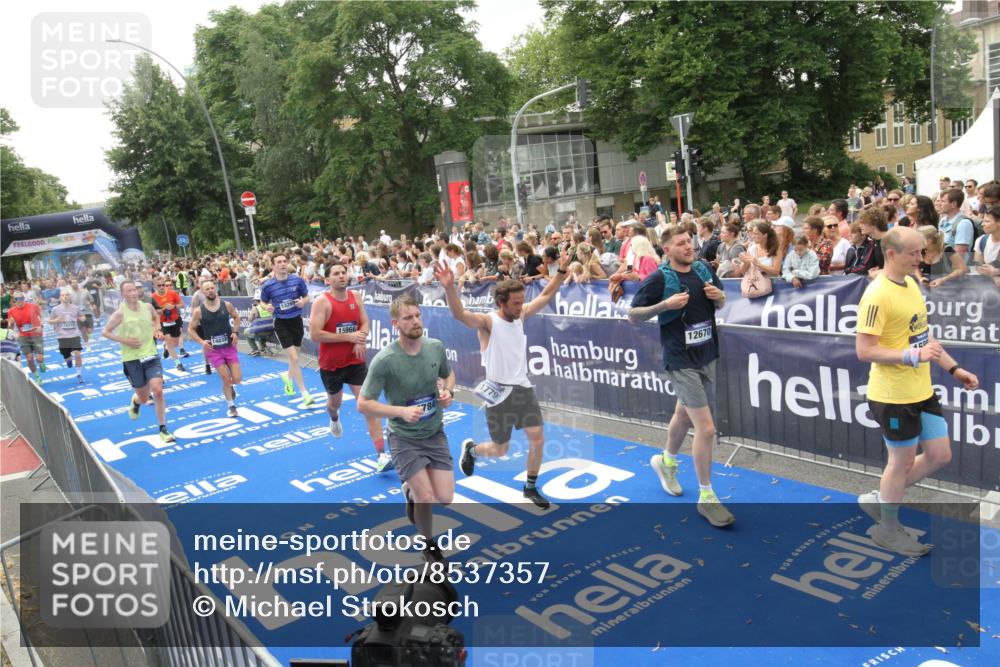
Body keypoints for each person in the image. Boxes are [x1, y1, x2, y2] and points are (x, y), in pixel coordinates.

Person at [855, 226, 979, 556]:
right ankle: (888, 529)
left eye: (922, 252)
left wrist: (954, 368)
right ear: (891, 254)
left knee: (940, 455)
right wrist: (912, 356)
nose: (921, 259)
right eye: (914, 253)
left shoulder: (910, 283)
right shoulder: (877, 294)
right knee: (901, 463)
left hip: (921, 390)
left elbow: (922, 339)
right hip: (893, 396)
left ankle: (882, 499)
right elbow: (864, 351)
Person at [436, 250, 571, 509]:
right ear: (501, 302)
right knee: (501, 449)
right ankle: (473, 450)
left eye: (522, 302)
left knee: (537, 437)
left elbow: (545, 295)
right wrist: (449, 288)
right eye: (516, 303)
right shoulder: (487, 322)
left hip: (522, 388)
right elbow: (459, 315)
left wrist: (561, 272)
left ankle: (530, 487)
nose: (521, 307)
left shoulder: (521, 315)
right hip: (497, 393)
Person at [628, 226, 733, 527]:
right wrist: (665, 305)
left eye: (690, 241)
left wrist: (720, 296)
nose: (689, 247)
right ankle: (707, 497)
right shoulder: (660, 278)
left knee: (684, 415)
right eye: (680, 243)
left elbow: (721, 302)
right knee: (707, 429)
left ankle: (666, 461)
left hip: (707, 353)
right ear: (666, 250)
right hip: (680, 359)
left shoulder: (703, 269)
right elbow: (633, 315)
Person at [357, 296, 457, 563]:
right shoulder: (385, 360)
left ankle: (410, 493)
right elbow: (363, 404)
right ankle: (428, 544)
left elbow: (449, 375)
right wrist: (400, 411)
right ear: (394, 323)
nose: (415, 321)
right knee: (425, 497)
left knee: (445, 498)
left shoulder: (435, 347)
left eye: (417, 316)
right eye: (407, 318)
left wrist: (448, 391)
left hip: (435, 432)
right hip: (404, 438)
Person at [309, 262, 391, 471]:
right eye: (336, 273)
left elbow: (364, 323)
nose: (341, 276)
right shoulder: (322, 302)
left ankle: (382, 455)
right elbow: (315, 334)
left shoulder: (356, 297)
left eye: (343, 272)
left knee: (368, 404)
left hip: (355, 362)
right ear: (327, 280)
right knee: (334, 403)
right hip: (332, 364)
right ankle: (334, 418)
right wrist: (348, 336)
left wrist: (360, 340)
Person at [102, 282, 176, 443]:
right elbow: (105, 332)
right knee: (143, 398)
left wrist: (157, 330)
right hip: (132, 359)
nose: (133, 293)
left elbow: (156, 318)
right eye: (129, 291)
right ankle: (135, 402)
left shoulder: (147, 307)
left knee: (157, 390)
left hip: (150, 354)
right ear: (123, 294)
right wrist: (125, 340)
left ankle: (163, 429)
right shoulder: (119, 314)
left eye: (134, 289)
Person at [260, 253, 314, 405]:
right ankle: (305, 393)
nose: (283, 264)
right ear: (273, 266)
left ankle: (288, 377)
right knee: (295, 358)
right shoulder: (268, 285)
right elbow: (263, 302)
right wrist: (267, 307)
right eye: (279, 262)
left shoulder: (297, 280)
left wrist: (303, 302)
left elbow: (306, 297)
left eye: (285, 261)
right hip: (281, 322)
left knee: (294, 357)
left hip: (296, 320)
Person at [186, 280, 243, 418]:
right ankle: (231, 406)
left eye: (212, 288)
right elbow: (190, 329)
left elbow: (236, 317)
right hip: (213, 350)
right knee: (225, 378)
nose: (210, 291)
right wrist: (202, 342)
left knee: (237, 378)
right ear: (202, 292)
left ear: (215, 289)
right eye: (207, 289)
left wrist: (235, 332)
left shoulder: (226, 305)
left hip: (229, 347)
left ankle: (230, 386)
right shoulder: (199, 311)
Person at [151, 277, 189, 372]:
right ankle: (178, 363)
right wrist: (163, 309)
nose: (162, 287)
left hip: (175, 320)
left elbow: (182, 304)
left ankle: (166, 347)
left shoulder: (172, 293)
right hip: (163, 322)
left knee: (175, 343)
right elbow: (153, 312)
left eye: (163, 285)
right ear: (155, 286)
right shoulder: (152, 297)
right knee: (168, 340)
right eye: (159, 285)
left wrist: (174, 306)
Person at [48, 289, 85, 383]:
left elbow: (82, 316)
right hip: (62, 337)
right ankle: (68, 359)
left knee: (78, 354)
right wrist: (56, 321)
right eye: (63, 295)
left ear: (70, 297)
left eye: (67, 295)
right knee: (67, 357)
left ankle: (79, 374)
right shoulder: (55, 309)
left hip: (74, 335)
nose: (65, 296)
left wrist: (82, 318)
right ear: (60, 297)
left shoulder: (75, 308)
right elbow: (49, 321)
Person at [7, 291, 45, 384]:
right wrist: (10, 328)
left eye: (21, 298)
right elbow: (10, 324)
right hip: (23, 336)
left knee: (39, 358)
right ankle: (37, 376)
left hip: (35, 334)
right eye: (17, 299)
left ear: (23, 298)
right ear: (14, 300)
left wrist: (41, 324)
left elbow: (41, 315)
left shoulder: (32, 306)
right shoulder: (11, 311)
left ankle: (41, 362)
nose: (19, 301)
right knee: (29, 358)